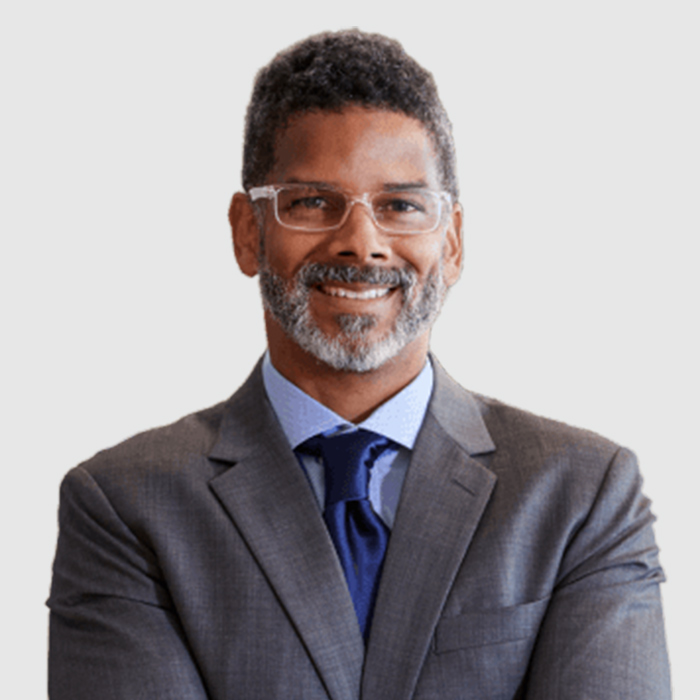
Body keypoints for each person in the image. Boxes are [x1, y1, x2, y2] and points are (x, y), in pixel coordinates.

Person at [47, 29, 671, 700]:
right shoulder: (124, 505)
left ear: (452, 243)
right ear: (249, 232)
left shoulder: (582, 495)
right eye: (313, 202)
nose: (361, 243)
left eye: (401, 205)